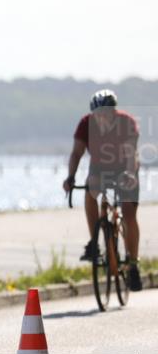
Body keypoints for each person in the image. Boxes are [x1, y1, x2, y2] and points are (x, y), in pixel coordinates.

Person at [63, 89, 143, 292]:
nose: (102, 118)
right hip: (100, 169)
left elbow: (131, 153)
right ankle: (94, 242)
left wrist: (130, 174)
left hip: (125, 168)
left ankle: (133, 265)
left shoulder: (126, 122)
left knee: (128, 212)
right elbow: (76, 153)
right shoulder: (85, 124)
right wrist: (70, 177)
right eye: (98, 114)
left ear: (114, 111)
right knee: (90, 189)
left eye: (107, 113)